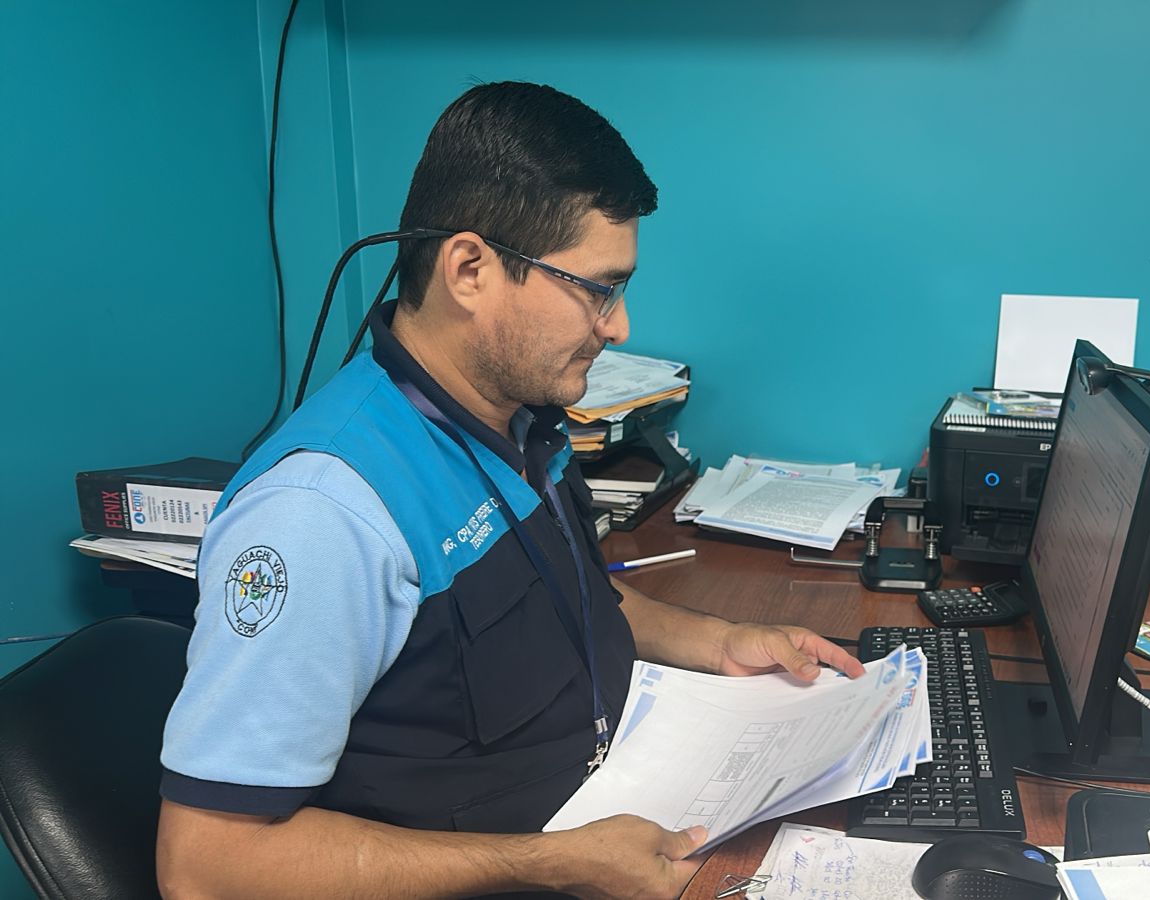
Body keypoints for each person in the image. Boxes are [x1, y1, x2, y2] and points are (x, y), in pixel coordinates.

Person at [155, 81, 865, 900]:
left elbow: (573, 607)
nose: (618, 326)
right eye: (598, 288)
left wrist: (721, 642)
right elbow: (205, 866)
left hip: (617, 816)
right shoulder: (323, 515)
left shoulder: (520, 420)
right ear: (469, 269)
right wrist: (549, 861)